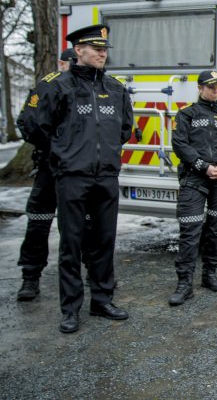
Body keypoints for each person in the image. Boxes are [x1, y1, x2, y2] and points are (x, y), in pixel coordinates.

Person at [32, 25, 133, 333]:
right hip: (72, 177)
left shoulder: (115, 88)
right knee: (71, 244)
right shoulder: (58, 86)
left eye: (104, 50)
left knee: (104, 241)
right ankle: (70, 309)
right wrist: (65, 156)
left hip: (105, 177)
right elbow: (39, 128)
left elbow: (125, 129)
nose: (102, 54)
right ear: (78, 50)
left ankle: (102, 300)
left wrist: (107, 155)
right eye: (96, 49)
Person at [168, 70, 217, 306]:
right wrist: (204, 167)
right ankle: (184, 284)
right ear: (200, 88)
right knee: (190, 230)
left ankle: (210, 275)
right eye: (211, 86)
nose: (215, 90)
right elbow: (180, 145)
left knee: (216, 229)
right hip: (195, 177)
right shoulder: (186, 114)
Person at [14, 48, 77, 301]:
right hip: (50, 166)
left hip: (78, 168)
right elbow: (27, 123)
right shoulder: (47, 85)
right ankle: (30, 277)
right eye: (72, 63)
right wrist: (56, 149)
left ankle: (95, 273)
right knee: (39, 221)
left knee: (84, 223)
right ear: (62, 63)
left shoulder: (89, 87)